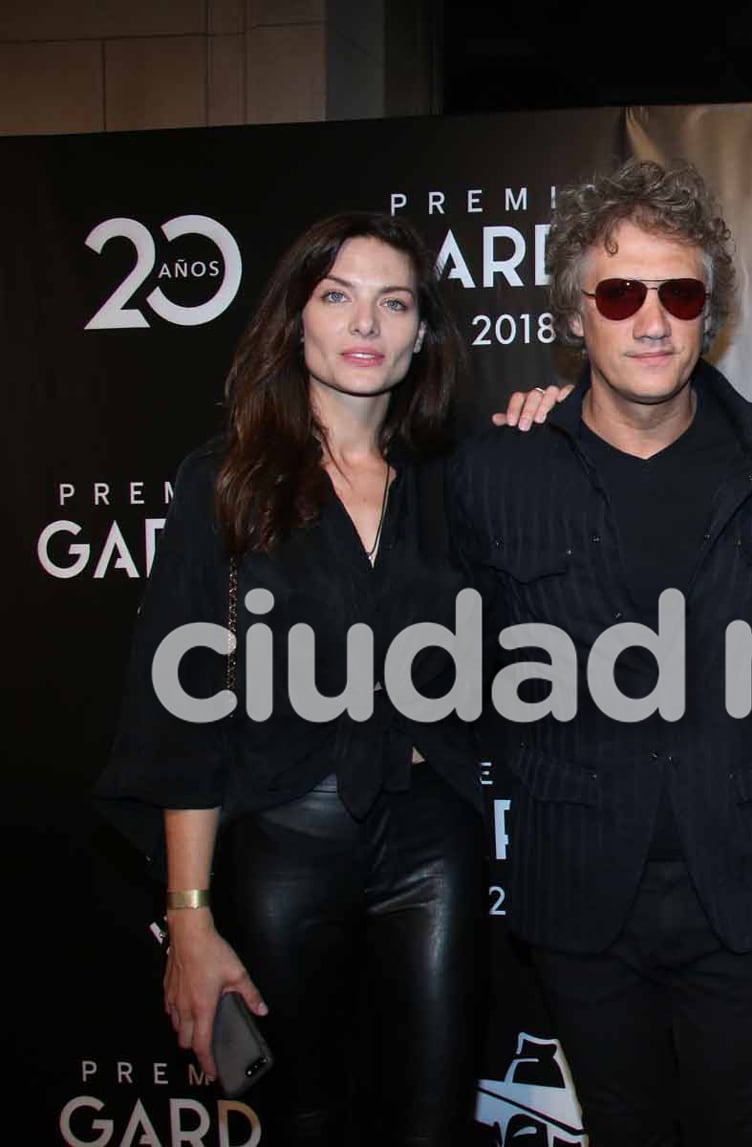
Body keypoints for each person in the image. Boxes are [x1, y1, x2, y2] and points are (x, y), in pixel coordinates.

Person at [451, 158, 752, 1145]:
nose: (651, 318)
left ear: (713, 313)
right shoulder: (497, 472)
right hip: (578, 887)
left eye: (680, 291)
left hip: (739, 887)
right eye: (619, 292)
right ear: (575, 316)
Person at [95, 212, 485, 1145]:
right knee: (301, 1121)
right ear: (296, 320)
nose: (365, 325)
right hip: (282, 840)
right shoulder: (226, 482)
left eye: (392, 303)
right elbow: (178, 721)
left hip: (431, 835)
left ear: (420, 332)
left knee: (433, 1119)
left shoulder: (455, 483)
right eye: (337, 297)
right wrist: (189, 917)